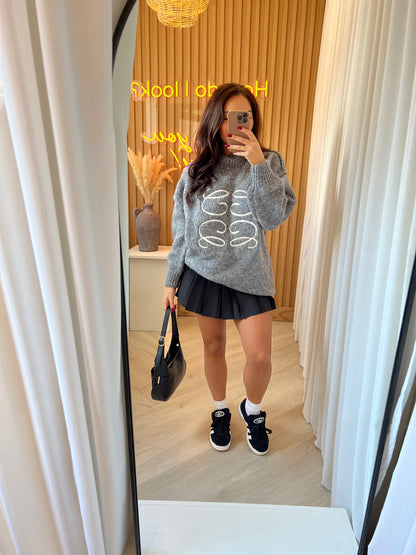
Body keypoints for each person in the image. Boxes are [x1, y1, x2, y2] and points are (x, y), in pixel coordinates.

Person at [162, 83, 296, 456]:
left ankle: (252, 410)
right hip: (203, 272)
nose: (234, 124)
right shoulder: (194, 171)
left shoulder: (269, 162)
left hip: (250, 273)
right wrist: (171, 281)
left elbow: (273, 218)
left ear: (252, 120)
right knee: (213, 346)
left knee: (260, 357)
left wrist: (258, 164)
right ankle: (220, 410)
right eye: (225, 117)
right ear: (214, 121)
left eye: (242, 116)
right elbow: (182, 232)